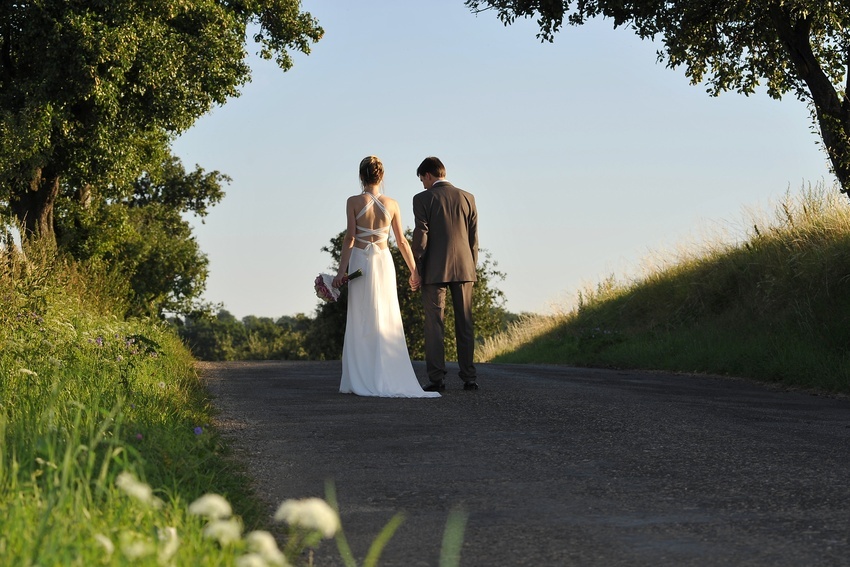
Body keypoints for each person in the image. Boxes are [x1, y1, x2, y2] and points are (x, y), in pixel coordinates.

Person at [333, 156, 440, 398]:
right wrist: (414, 270)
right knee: (385, 315)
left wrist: (342, 271)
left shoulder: (352, 202)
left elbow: (350, 238)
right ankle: (386, 373)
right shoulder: (392, 204)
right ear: (381, 177)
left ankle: (362, 376)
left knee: (361, 317)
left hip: (360, 260)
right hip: (383, 261)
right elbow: (401, 241)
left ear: (362, 177)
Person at [411, 156, 479, 392]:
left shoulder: (422, 199)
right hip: (465, 268)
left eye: (422, 180)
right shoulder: (468, 197)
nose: (423, 184)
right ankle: (469, 377)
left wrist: (415, 267)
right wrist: (472, 268)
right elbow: (473, 239)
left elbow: (421, 236)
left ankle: (436, 378)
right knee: (465, 323)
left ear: (428, 175)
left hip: (434, 269)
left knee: (434, 325)